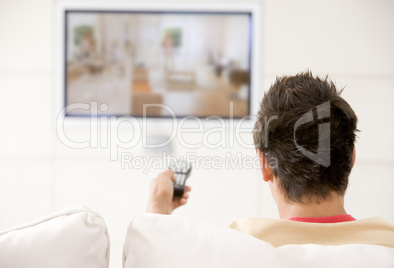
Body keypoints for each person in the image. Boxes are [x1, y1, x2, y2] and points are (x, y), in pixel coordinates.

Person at [146, 71, 394, 248]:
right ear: (351, 159)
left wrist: (157, 213)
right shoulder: (387, 246)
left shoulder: (232, 250)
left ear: (265, 164)